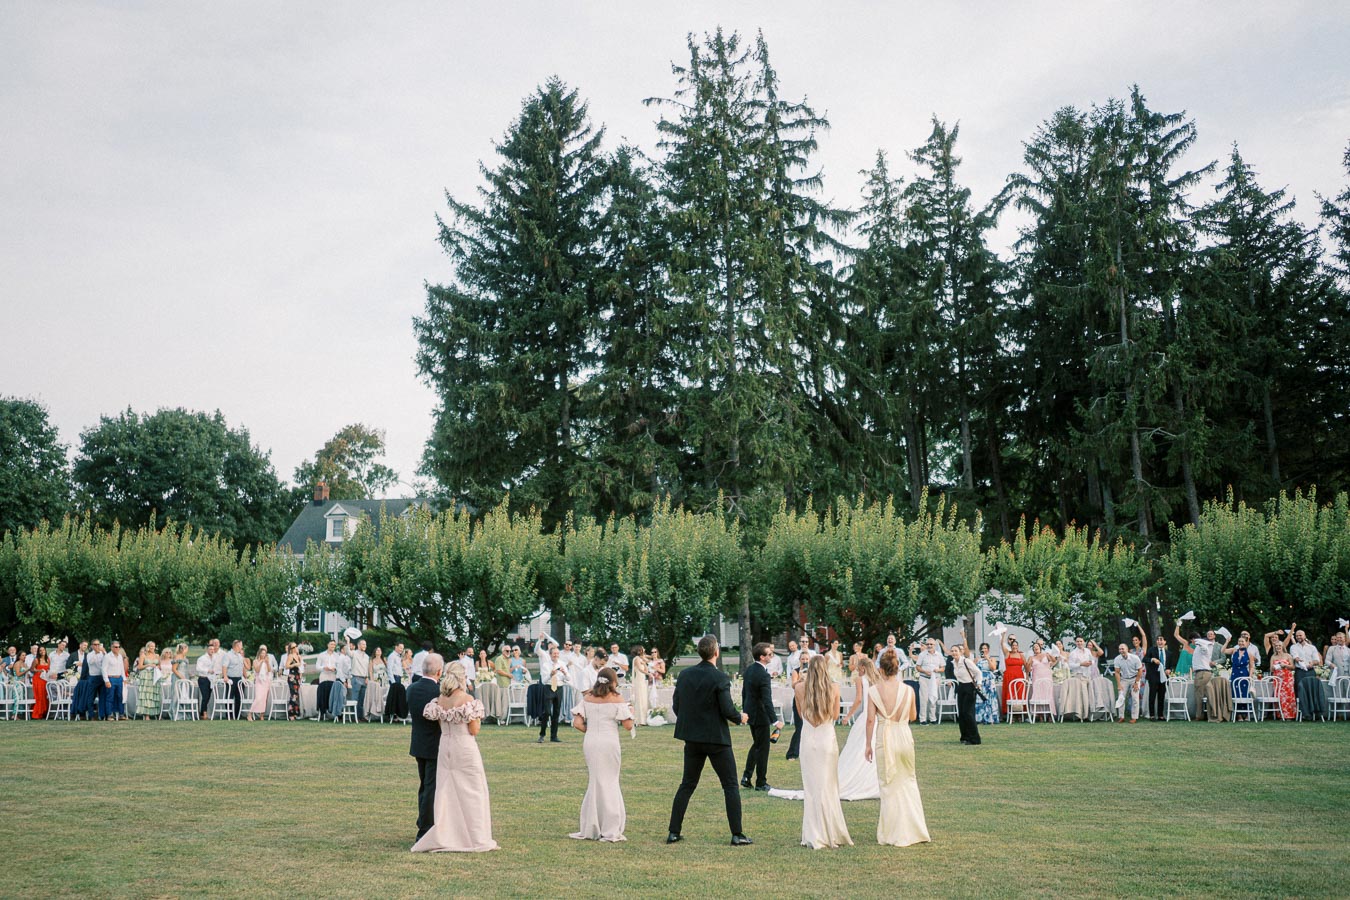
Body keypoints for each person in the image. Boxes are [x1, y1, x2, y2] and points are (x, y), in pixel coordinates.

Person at [666, 634, 752, 846]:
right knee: (730, 784)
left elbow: (677, 705)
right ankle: (737, 833)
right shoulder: (720, 678)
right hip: (716, 740)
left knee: (687, 784)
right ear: (716, 652)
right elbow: (727, 709)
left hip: (692, 739)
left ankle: (673, 832)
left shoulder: (685, 675)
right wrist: (740, 717)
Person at [410, 661, 497, 853]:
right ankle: (476, 837)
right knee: (473, 791)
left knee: (447, 792)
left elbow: (441, 725)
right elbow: (474, 730)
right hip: (464, 747)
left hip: (445, 748)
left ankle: (449, 834)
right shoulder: (467, 699)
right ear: (461, 678)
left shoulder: (440, 700)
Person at [865, 649, 930, 847]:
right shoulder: (908, 690)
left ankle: (891, 832)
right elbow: (913, 716)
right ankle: (914, 829)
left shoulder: (874, 690)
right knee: (908, 780)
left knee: (888, 784)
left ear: (881, 670)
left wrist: (867, 745)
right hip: (903, 735)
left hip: (885, 737)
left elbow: (869, 720)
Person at [569, 666, 635, 842]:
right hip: (609, 742)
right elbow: (628, 725)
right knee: (610, 782)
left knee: (595, 781)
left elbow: (577, 723)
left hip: (591, 742)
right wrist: (632, 713)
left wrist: (591, 732)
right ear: (613, 682)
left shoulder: (588, 697)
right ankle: (610, 826)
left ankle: (591, 825)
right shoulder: (617, 698)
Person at [794, 655, 852, 849]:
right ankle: (831, 832)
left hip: (809, 738)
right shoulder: (834, 688)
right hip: (827, 738)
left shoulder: (799, 688)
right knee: (828, 786)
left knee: (811, 787)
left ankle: (813, 833)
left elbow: (802, 714)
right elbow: (835, 715)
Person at [408, 653, 444, 840]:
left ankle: (423, 820)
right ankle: (425, 829)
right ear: (439, 671)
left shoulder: (411, 689)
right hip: (434, 745)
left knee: (424, 785)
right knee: (431, 787)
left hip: (418, 743)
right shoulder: (438, 692)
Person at [740, 642, 781, 792]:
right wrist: (775, 720)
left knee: (757, 745)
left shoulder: (749, 670)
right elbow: (766, 700)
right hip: (761, 716)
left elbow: (744, 694)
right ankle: (761, 782)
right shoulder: (763, 675)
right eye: (769, 654)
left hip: (751, 714)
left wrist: (745, 712)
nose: (771, 656)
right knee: (763, 749)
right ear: (762, 657)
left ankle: (746, 776)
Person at [1285, 626, 1327, 719]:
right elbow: (1295, 657)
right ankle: (1303, 714)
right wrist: (1300, 662)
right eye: (1297, 636)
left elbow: (1317, 660)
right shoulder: (1293, 647)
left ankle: (1315, 712)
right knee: (1300, 691)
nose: (1298, 637)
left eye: (1300, 635)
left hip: (1311, 671)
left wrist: (1312, 663)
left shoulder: (1312, 647)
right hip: (1300, 671)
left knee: (1312, 691)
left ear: (1304, 636)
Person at [536, 638, 571, 743]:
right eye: (554, 654)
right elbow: (544, 680)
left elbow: (568, 678)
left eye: (557, 653)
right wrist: (550, 675)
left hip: (559, 688)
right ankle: (542, 734)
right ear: (550, 655)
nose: (556, 655)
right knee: (546, 712)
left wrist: (565, 673)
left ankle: (554, 736)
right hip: (549, 687)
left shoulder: (562, 664)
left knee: (556, 712)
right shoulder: (546, 665)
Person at [952, 644, 982, 744]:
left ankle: (975, 738)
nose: (954, 653)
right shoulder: (954, 663)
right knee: (961, 713)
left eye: (956, 651)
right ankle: (964, 737)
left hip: (969, 687)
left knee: (968, 713)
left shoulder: (966, 661)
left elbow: (978, 672)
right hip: (961, 687)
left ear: (960, 652)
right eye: (952, 651)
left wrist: (979, 683)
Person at [1224, 634, 1258, 720]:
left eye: (1242, 641)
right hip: (1235, 674)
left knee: (1245, 694)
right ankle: (1238, 715)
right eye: (1239, 641)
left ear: (1246, 643)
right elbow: (1223, 650)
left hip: (1244, 675)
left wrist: (1250, 677)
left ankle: (1246, 715)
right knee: (1236, 694)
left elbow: (1251, 666)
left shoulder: (1249, 654)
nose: (1241, 643)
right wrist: (1227, 641)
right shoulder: (1234, 650)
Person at [1264, 633, 1297, 720]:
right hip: (1278, 680)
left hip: (1287, 679)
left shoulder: (1288, 656)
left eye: (1279, 646)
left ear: (1282, 646)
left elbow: (1293, 667)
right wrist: (1275, 666)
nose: (1278, 647)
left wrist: (1284, 665)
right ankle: (1280, 715)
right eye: (1276, 646)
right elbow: (1271, 669)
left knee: (1288, 697)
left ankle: (1290, 715)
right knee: (1280, 697)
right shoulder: (1273, 657)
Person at [914, 638, 944, 724]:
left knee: (933, 698)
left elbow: (943, 668)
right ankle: (923, 719)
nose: (929, 646)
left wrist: (937, 670)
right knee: (924, 699)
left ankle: (933, 718)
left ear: (935, 645)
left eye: (931, 644)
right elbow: (918, 667)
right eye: (928, 644)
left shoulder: (939, 655)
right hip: (924, 678)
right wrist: (924, 671)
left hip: (935, 679)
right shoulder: (922, 655)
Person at [1111, 644, 1143, 723]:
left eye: (1122, 649)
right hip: (1124, 679)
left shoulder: (1135, 658)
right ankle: (1121, 717)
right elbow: (1117, 672)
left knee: (1135, 698)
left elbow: (1140, 670)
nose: (1121, 651)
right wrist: (1119, 684)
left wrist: (1136, 683)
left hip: (1135, 678)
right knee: (1121, 697)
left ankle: (1134, 717)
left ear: (1127, 649)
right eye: (1119, 649)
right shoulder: (1117, 659)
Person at [1143, 635, 1169, 721]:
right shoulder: (1152, 650)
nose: (1159, 641)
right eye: (1158, 640)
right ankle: (1152, 715)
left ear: (1165, 642)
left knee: (1161, 696)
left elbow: (1170, 665)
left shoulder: (1169, 653)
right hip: (1153, 676)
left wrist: (1169, 670)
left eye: (1161, 640)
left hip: (1163, 677)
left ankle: (1161, 715)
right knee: (1152, 696)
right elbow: (1144, 659)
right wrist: (1152, 659)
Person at [974, 643, 1000, 725]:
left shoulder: (992, 659)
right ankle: (979, 718)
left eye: (985, 648)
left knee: (990, 698)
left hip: (989, 680)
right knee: (980, 698)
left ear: (988, 650)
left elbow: (993, 668)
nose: (984, 650)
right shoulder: (977, 659)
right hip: (980, 679)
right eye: (982, 648)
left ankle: (991, 718)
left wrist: (987, 659)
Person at [1000, 634, 1025, 718]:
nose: (1014, 647)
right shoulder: (1007, 653)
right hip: (1009, 677)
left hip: (1019, 676)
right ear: (1011, 646)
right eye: (1013, 645)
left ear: (1018, 646)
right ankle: (1010, 714)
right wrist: (1003, 636)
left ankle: (1019, 714)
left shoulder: (1021, 655)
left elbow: (1026, 666)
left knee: (1019, 694)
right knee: (1010, 695)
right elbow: (1002, 644)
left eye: (1016, 645)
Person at [135, 642, 161, 721]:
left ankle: (154, 713)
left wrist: (156, 667)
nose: (153, 648)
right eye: (151, 646)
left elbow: (160, 665)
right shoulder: (143, 655)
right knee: (146, 695)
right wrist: (148, 665)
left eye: (154, 646)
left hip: (154, 676)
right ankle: (146, 715)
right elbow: (139, 667)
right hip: (146, 676)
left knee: (153, 694)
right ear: (147, 647)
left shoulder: (157, 656)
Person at [102, 640, 127, 720]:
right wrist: (106, 680)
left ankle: (121, 714)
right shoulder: (107, 656)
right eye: (115, 647)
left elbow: (122, 668)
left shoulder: (120, 656)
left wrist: (124, 678)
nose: (117, 648)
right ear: (111, 647)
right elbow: (104, 669)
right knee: (110, 697)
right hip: (111, 678)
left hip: (119, 678)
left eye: (118, 647)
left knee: (120, 696)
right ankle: (109, 714)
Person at [222, 640, 246, 718]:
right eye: (241, 645)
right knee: (229, 696)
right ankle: (229, 714)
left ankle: (237, 715)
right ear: (236, 646)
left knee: (239, 697)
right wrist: (225, 676)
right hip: (231, 679)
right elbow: (224, 666)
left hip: (239, 679)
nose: (242, 647)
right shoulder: (228, 655)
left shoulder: (240, 656)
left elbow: (242, 667)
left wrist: (244, 676)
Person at [248, 646, 272, 721]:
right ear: (259, 654)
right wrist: (261, 662)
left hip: (266, 681)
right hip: (259, 681)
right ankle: (250, 714)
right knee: (258, 698)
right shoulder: (255, 661)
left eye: (265, 653)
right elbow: (257, 670)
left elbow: (269, 670)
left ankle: (262, 715)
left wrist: (267, 662)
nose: (263, 654)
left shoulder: (267, 661)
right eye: (262, 653)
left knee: (264, 699)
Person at [316, 640, 339, 720]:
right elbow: (317, 667)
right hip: (324, 677)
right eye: (331, 644)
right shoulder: (322, 655)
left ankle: (331, 713)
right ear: (328, 645)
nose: (333, 646)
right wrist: (323, 668)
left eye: (334, 645)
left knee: (331, 695)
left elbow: (339, 667)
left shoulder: (337, 656)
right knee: (323, 695)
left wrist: (335, 669)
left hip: (332, 677)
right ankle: (322, 712)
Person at [350, 639, 371, 722]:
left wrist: (367, 677)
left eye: (365, 644)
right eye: (362, 644)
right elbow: (348, 652)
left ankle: (360, 716)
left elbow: (366, 668)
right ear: (358, 645)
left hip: (364, 678)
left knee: (361, 700)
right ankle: (353, 717)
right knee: (355, 699)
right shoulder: (354, 653)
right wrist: (348, 641)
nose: (364, 646)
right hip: (356, 677)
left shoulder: (366, 656)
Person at [283, 643, 304, 721]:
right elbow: (286, 666)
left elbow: (301, 666)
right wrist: (295, 664)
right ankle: (291, 714)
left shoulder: (298, 656)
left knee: (296, 695)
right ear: (291, 649)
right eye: (293, 647)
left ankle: (295, 713)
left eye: (296, 646)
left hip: (297, 676)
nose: (295, 648)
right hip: (292, 676)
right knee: (293, 695)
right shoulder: (290, 656)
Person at [631, 646, 650, 725]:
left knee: (643, 697)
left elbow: (645, 669)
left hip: (642, 680)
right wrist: (648, 674)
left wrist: (645, 664)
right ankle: (639, 720)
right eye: (643, 649)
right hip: (638, 680)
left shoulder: (641, 659)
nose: (644, 650)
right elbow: (639, 669)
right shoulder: (636, 659)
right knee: (639, 698)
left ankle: (644, 719)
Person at [30, 646, 50, 720]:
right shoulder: (36, 660)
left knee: (45, 695)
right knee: (39, 695)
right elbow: (31, 669)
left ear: (45, 650)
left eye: (43, 650)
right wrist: (39, 670)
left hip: (45, 679)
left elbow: (49, 668)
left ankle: (44, 712)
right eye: (40, 650)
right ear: (38, 652)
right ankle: (37, 713)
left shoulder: (48, 659)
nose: (42, 652)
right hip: (38, 679)